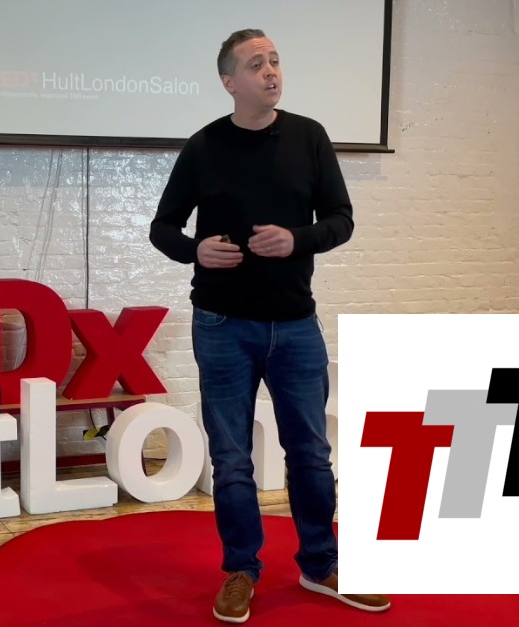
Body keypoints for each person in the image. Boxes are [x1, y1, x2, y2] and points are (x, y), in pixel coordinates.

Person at [149, 28, 391, 623]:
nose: (271, 71)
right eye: (256, 64)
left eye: (275, 61)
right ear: (229, 81)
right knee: (232, 458)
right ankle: (241, 571)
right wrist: (195, 251)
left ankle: (321, 566)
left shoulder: (309, 137)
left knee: (310, 453)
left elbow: (341, 219)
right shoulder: (204, 146)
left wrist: (297, 239)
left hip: (296, 325)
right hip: (222, 324)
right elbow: (162, 228)